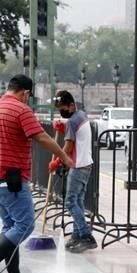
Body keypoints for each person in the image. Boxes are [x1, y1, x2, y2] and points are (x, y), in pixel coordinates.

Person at [0, 74, 73, 273]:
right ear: (26, 93)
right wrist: (64, 157)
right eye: (29, 96)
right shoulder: (21, 109)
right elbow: (41, 137)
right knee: (25, 225)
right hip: (12, 180)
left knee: (10, 226)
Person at [53, 90, 97, 253]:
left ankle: (86, 236)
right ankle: (77, 235)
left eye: (63, 108)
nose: (61, 111)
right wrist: (63, 126)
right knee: (78, 201)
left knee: (70, 201)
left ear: (71, 105)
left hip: (77, 165)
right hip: (86, 164)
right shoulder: (82, 116)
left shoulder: (72, 121)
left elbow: (69, 145)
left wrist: (58, 160)